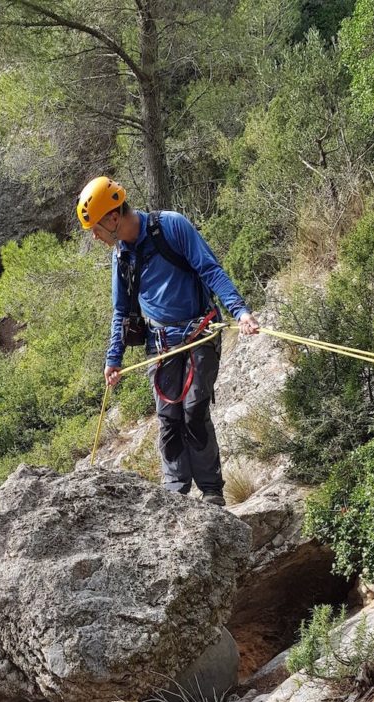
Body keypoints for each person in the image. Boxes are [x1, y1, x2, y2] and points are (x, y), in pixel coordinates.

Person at [77, 176, 260, 506]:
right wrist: (113, 359)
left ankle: (211, 492)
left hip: (199, 333)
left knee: (194, 409)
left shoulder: (171, 226)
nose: (95, 236)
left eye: (97, 228)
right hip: (160, 344)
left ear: (114, 218)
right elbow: (121, 311)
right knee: (168, 417)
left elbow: (210, 269)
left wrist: (240, 311)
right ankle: (175, 490)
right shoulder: (121, 257)